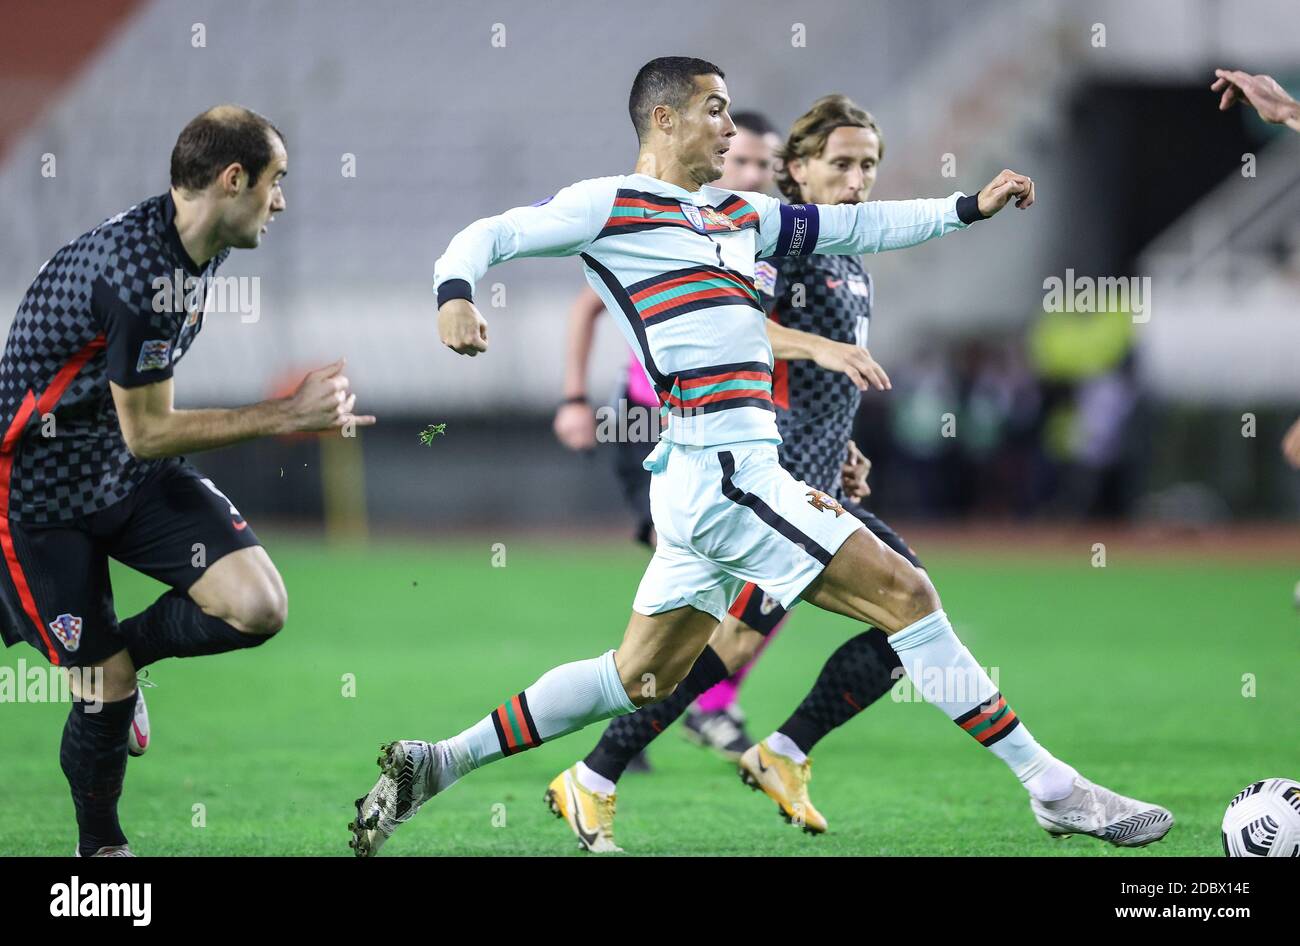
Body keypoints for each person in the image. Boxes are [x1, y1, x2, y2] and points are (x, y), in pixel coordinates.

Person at [350, 57, 1171, 856]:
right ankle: (1054, 788)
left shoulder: (738, 216)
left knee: (636, 677)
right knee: (907, 592)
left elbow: (860, 225)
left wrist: (969, 206)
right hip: (728, 471)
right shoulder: (610, 204)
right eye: (715, 108)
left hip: (708, 478)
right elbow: (489, 233)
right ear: (661, 117)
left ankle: (440, 762)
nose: (730, 125)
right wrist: (454, 295)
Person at [0, 105, 373, 856]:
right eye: (276, 182)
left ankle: (115, 660)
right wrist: (285, 413)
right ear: (233, 180)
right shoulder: (142, 273)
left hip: (122, 470)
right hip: (38, 497)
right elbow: (150, 428)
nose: (283, 201)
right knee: (99, 691)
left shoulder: (192, 238)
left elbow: (135, 435)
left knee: (257, 606)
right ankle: (102, 853)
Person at [553, 110, 783, 761]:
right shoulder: (664, 220)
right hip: (650, 423)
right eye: (742, 161)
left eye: (767, 164)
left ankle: (653, 704)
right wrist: (573, 397)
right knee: (700, 569)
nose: (754, 174)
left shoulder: (756, 233)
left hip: (729, 428)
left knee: (708, 577)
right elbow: (587, 306)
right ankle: (679, 707)